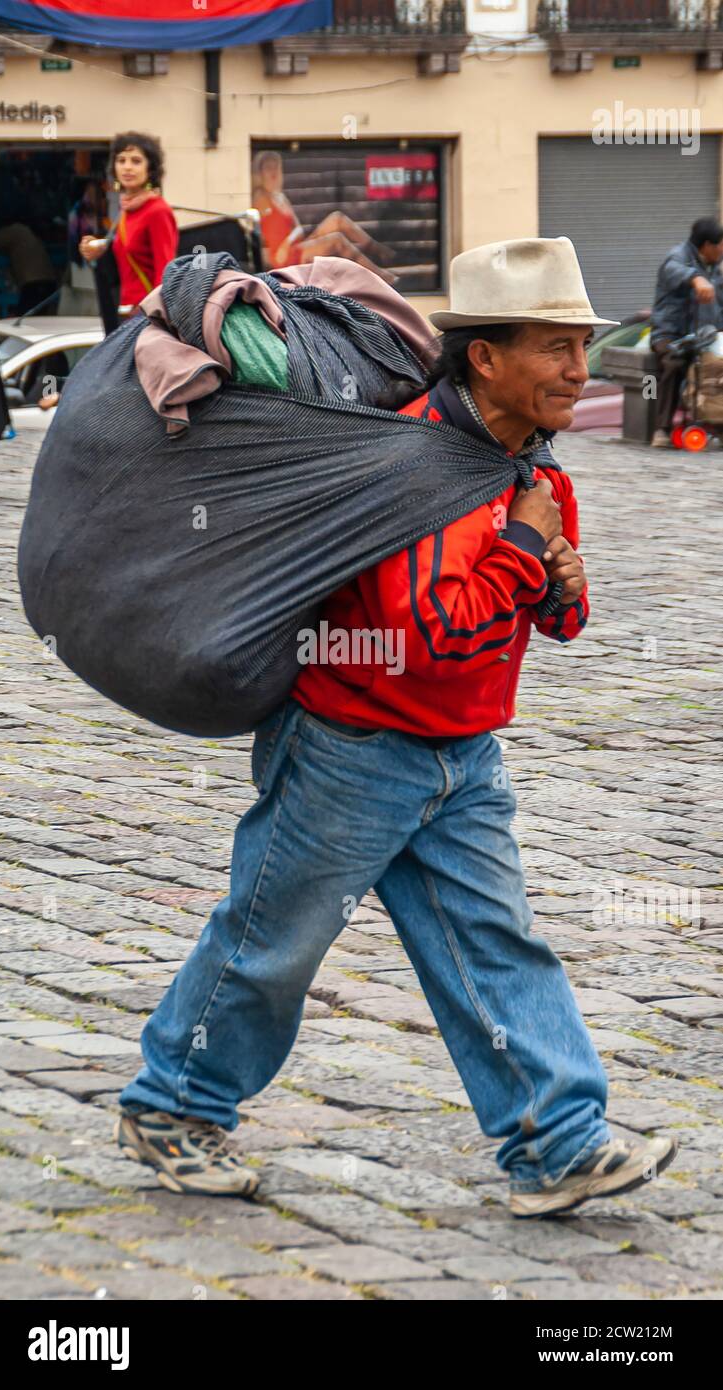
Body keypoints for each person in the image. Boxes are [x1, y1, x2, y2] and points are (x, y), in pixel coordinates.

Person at [115, 237, 678, 1219]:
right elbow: (428, 638)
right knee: (270, 947)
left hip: (464, 754)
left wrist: (557, 580)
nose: (577, 371)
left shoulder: (532, 471)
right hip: (349, 752)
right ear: (484, 358)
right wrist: (523, 548)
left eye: (580, 348)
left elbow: (553, 616)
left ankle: (554, 1142)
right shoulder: (407, 467)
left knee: (495, 945)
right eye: (553, 348)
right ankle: (173, 1106)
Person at [252, 149, 396, 286]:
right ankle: (378, 275)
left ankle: (377, 250)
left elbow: (298, 229)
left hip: (296, 247)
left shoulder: (281, 198)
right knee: (337, 240)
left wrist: (287, 242)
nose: (273, 172)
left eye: (276, 167)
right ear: (261, 173)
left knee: (337, 219)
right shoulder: (261, 198)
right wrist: (277, 251)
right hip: (283, 259)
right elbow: (258, 234)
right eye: (268, 168)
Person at [79, 132, 178, 316]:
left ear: (151, 168)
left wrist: (157, 319)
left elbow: (165, 273)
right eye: (121, 160)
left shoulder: (157, 210)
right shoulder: (127, 210)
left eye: (136, 161)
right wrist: (101, 248)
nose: (127, 167)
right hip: (127, 312)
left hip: (148, 316)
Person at [650, 215, 723, 447]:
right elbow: (674, 270)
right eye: (720, 245)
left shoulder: (715, 268)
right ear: (708, 245)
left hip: (705, 337)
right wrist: (696, 278)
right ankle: (661, 428)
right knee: (674, 363)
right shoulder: (678, 257)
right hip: (670, 335)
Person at [0, 221, 57, 316]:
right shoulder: (29, 233)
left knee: (25, 318)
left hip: (33, 281)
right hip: (48, 281)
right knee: (40, 319)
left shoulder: (13, 231)